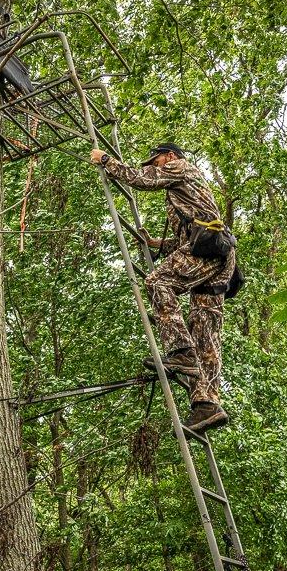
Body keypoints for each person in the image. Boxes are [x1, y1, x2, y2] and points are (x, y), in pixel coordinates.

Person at [89, 143, 234, 432]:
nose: (154, 167)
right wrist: (158, 244)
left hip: (207, 252)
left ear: (169, 156)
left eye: (155, 161)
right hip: (217, 258)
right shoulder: (188, 190)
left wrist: (106, 160)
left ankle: (180, 351)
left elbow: (142, 180)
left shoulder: (180, 166)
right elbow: (188, 240)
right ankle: (207, 404)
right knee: (204, 333)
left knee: (158, 281)